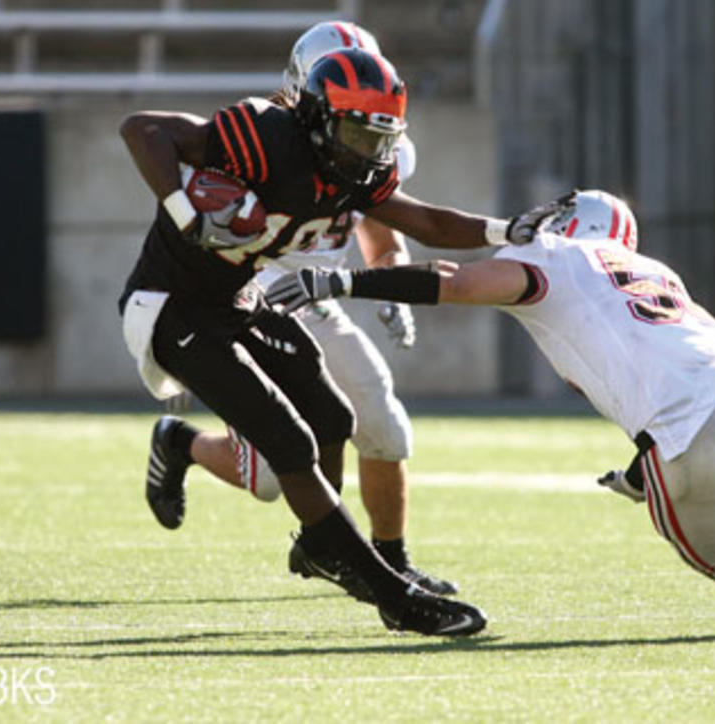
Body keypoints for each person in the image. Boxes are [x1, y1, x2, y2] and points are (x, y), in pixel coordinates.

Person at [266, 189, 715, 635]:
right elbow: (655, 370)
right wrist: (646, 472)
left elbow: (455, 282)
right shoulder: (653, 271)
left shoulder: (553, 258)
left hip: (688, 428)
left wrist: (344, 279)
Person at [119, 46, 537, 636]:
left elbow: (429, 223)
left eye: (380, 138)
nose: (369, 153)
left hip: (236, 299)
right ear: (315, 118)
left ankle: (321, 545)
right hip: (171, 306)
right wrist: (185, 211)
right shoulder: (263, 134)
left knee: (332, 415)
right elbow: (142, 130)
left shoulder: (349, 170)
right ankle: (391, 593)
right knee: (286, 441)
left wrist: (505, 230)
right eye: (357, 135)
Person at [146, 21, 456, 601]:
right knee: (267, 477)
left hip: (318, 299)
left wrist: (388, 283)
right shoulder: (266, 135)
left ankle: (393, 561)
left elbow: (381, 227)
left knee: (381, 420)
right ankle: (180, 442)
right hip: (254, 298)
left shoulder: (374, 140)